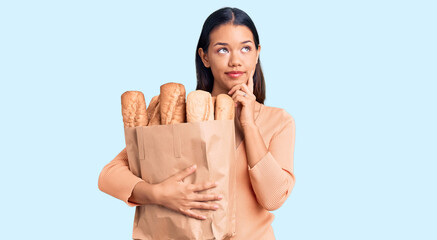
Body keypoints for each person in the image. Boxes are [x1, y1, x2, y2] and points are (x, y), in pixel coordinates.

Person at [98, 7, 296, 239]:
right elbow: (108, 176)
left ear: (257, 53)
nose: (235, 61)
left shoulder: (279, 121)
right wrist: (157, 194)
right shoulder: (180, 115)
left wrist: (249, 124)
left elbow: (273, 198)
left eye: (245, 48)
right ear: (205, 57)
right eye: (222, 50)